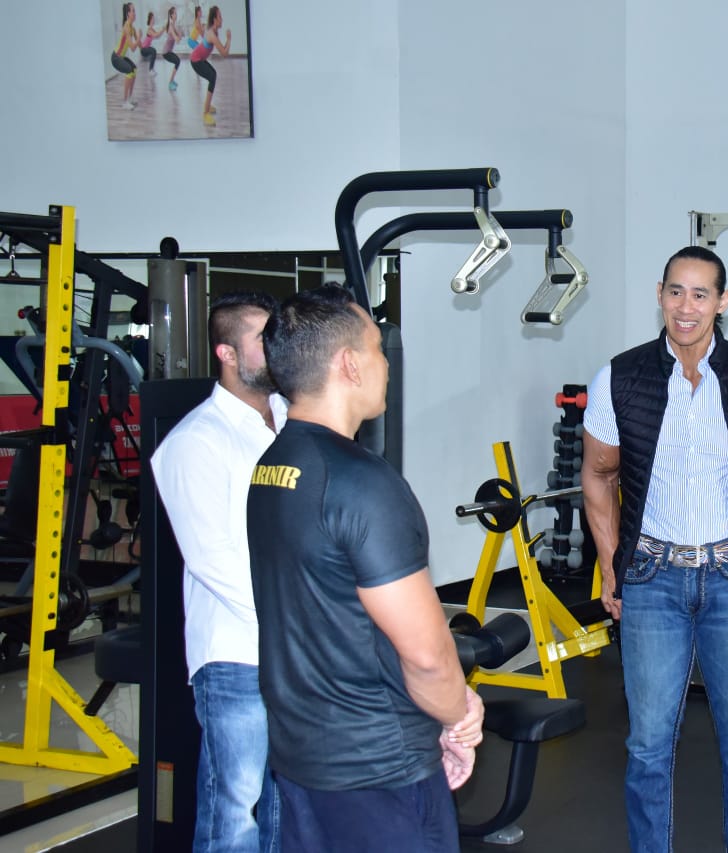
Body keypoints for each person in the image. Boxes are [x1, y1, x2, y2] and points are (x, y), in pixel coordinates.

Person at [580, 245, 728, 853]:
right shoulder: (618, 377)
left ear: (722, 302)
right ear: (659, 295)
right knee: (647, 746)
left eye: (700, 294)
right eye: (676, 291)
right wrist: (611, 565)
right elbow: (598, 475)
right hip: (652, 576)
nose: (686, 306)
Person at [246, 285, 483, 852]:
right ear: (349, 364)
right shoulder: (363, 483)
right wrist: (459, 714)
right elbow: (426, 655)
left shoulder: (271, 466)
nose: (386, 364)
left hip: (302, 757)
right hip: (380, 765)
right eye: (377, 349)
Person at [150, 292, 287, 853]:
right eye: (262, 340)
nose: (277, 350)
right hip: (235, 656)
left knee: (282, 802)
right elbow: (214, 560)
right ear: (226, 353)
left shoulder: (289, 421)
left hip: (288, 650)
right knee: (236, 811)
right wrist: (292, 617)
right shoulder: (196, 441)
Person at [189, 5, 231, 126]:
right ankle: (205, 113)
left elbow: (222, 50)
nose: (222, 19)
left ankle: (207, 105)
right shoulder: (212, 34)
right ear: (214, 20)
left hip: (199, 59)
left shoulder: (214, 31)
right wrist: (229, 39)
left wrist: (227, 41)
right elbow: (224, 53)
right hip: (196, 61)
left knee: (213, 76)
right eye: (220, 17)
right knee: (212, 76)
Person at [109, 3, 139, 111]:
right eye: (133, 11)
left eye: (135, 10)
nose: (135, 13)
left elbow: (140, 45)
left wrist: (141, 40)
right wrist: (139, 38)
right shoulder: (126, 27)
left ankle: (129, 99)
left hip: (120, 57)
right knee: (129, 71)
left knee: (134, 69)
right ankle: (125, 102)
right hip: (116, 58)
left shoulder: (132, 28)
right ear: (128, 14)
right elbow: (133, 48)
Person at [161, 6, 183, 92]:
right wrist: (178, 36)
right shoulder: (170, 26)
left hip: (168, 51)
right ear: (171, 15)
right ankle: (170, 83)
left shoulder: (173, 25)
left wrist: (179, 34)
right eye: (175, 13)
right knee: (177, 61)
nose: (176, 15)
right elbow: (177, 39)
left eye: (176, 13)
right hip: (166, 52)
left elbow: (179, 38)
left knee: (177, 61)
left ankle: (172, 81)